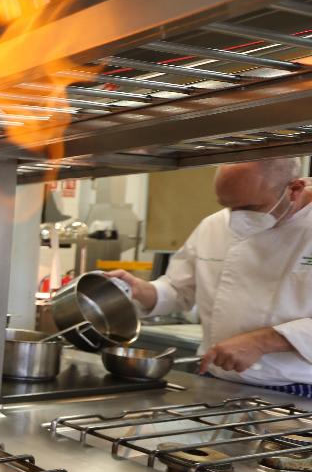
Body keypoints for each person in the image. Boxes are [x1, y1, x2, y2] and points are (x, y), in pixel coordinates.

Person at [110, 158, 312, 395]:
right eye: (228, 206)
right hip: (217, 380)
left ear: (294, 189)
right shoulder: (213, 225)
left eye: (249, 207)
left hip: (294, 389)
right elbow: (178, 289)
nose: (235, 219)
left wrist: (262, 341)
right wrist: (140, 289)